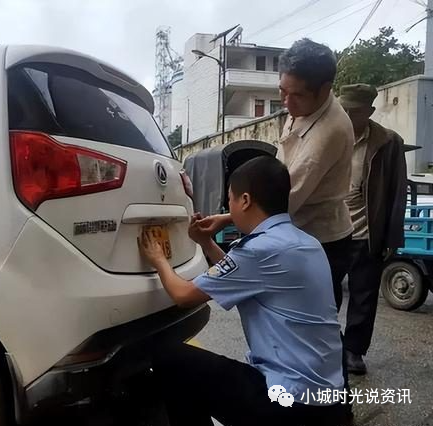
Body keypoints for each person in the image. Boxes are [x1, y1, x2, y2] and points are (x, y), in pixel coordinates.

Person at [138, 156, 345, 426]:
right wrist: (206, 242)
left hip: (290, 406)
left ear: (245, 200)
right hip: (329, 400)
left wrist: (158, 259)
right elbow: (243, 275)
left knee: (171, 359)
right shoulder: (307, 243)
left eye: (230, 200)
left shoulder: (259, 250)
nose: (229, 209)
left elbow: (184, 295)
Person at [276, 38, 355, 312]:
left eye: (296, 95)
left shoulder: (329, 131)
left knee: (315, 320)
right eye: (282, 91)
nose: (287, 103)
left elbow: (286, 198)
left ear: (325, 89)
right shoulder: (301, 106)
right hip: (295, 230)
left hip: (321, 242)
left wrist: (231, 217)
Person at [339, 83, 407, 375]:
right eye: (343, 110)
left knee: (364, 296)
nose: (346, 116)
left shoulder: (388, 142)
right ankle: (328, 345)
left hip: (367, 233)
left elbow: (398, 191)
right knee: (324, 293)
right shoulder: (331, 136)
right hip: (331, 231)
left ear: (369, 111)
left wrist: (393, 236)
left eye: (354, 111)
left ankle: (353, 351)